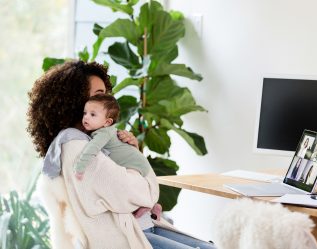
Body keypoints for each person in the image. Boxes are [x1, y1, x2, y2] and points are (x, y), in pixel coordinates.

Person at [27, 60, 216, 249]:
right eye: (99, 95)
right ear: (74, 100)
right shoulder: (75, 145)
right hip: (129, 237)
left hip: (143, 227)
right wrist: (144, 191)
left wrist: (132, 152)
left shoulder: (96, 139)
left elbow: (134, 189)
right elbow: (131, 191)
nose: (107, 102)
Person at [74, 93, 150, 180]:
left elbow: (92, 149)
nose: (86, 117)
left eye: (93, 114)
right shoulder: (107, 131)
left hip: (135, 165)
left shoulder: (104, 133)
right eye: (85, 113)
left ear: (107, 122)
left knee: (125, 183)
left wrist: (80, 168)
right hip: (138, 162)